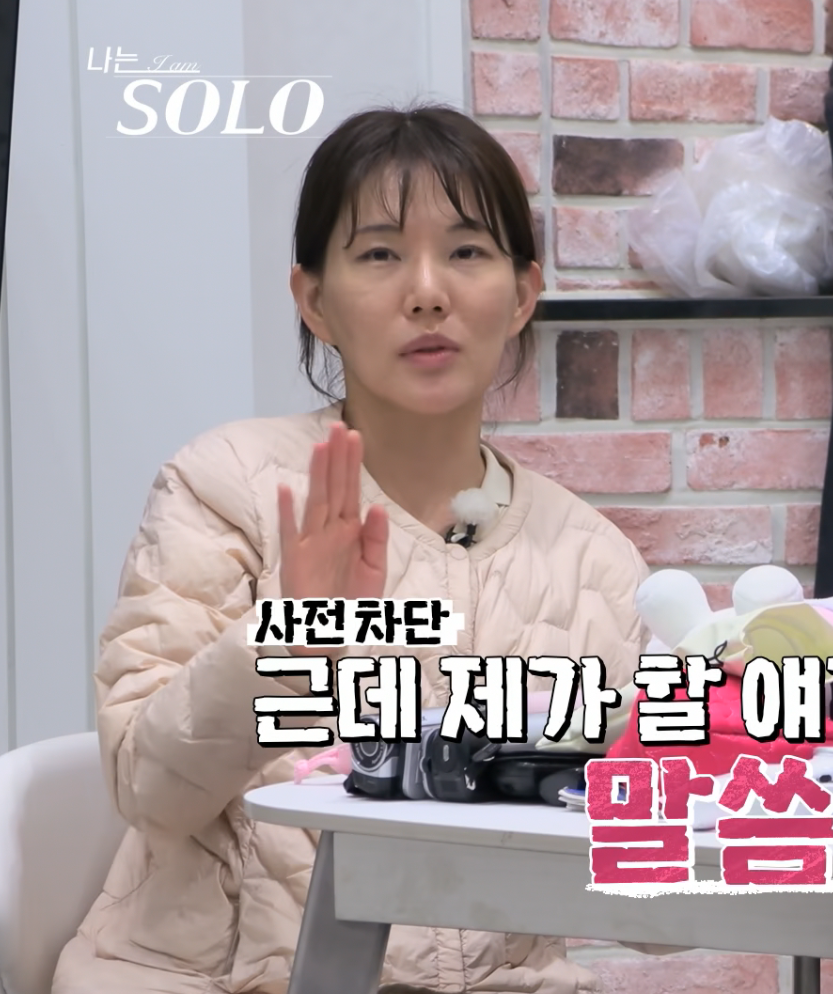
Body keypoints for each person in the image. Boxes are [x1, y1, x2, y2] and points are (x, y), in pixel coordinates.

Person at [52, 105, 647, 994]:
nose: (427, 292)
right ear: (315, 301)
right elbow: (150, 789)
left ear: (523, 294)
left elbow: (651, 902)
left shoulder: (595, 561)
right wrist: (291, 637)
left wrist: (733, 743)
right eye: (378, 255)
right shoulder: (225, 486)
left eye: (467, 251)